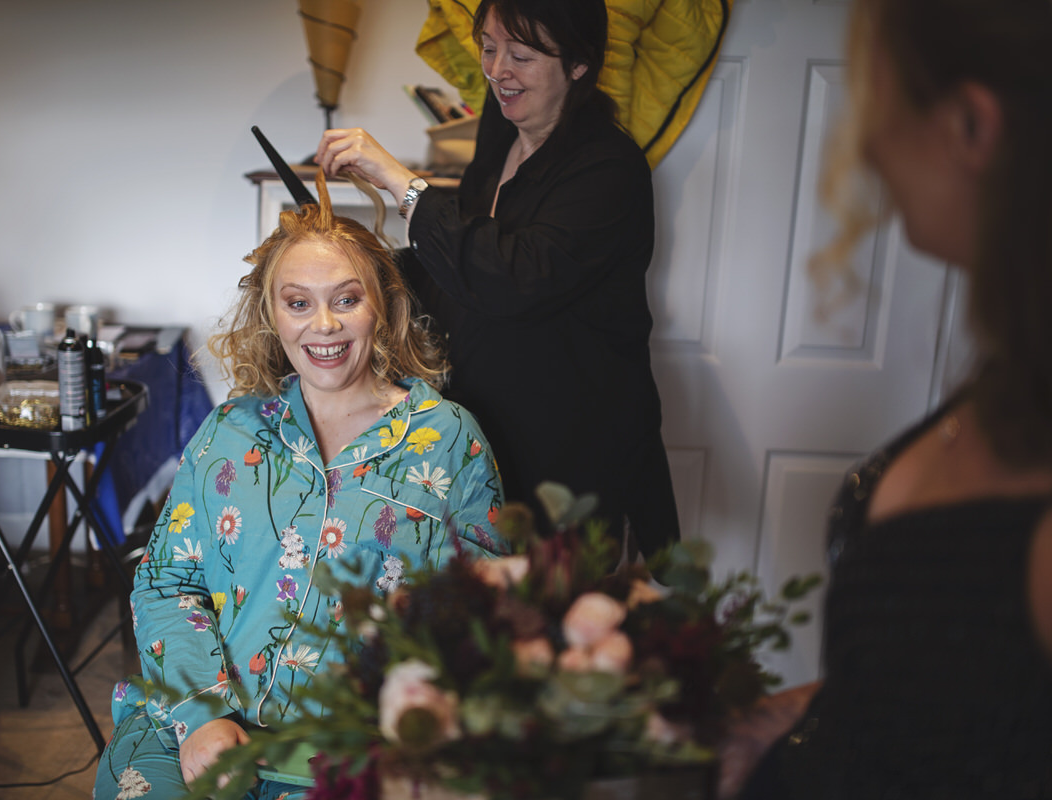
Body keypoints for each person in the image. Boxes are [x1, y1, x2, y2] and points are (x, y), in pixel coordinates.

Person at [724, 0, 1052, 797]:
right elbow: (967, 693)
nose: (868, 146)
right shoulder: (1010, 379)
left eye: (881, 105)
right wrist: (795, 716)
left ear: (971, 126)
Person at [93, 172, 506, 800]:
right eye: (298, 302)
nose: (324, 326)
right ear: (271, 314)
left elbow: (490, 614)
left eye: (346, 300)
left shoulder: (448, 440)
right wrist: (203, 718)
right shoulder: (230, 430)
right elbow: (165, 581)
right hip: (200, 719)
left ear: (384, 307)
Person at [315, 0, 680, 559]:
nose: (497, 70)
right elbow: (458, 264)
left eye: (522, 55)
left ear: (579, 65)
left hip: (569, 459)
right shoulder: (500, 138)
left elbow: (510, 277)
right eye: (489, 48)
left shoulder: (609, 168)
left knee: (549, 627)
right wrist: (359, 269)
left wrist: (400, 182)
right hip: (484, 442)